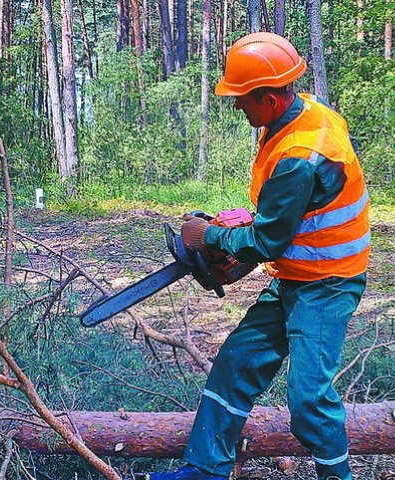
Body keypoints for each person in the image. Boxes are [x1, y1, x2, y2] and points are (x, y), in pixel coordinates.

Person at [147, 32, 370, 480]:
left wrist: (209, 235)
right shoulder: (300, 112)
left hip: (326, 285)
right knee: (236, 363)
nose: (236, 107)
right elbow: (287, 217)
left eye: (242, 99)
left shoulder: (299, 156)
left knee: (308, 400)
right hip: (295, 274)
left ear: (268, 98)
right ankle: (205, 469)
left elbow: (268, 241)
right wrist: (246, 227)